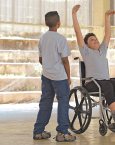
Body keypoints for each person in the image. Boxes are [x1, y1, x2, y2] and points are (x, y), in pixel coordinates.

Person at [33, 11, 76, 142]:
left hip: (46, 76)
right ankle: (62, 133)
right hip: (60, 77)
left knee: (45, 103)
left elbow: (41, 59)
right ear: (59, 23)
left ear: (46, 23)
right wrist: (68, 77)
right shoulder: (61, 39)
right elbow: (65, 61)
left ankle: (38, 131)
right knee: (63, 103)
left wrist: (48, 67)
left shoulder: (43, 38)